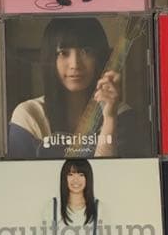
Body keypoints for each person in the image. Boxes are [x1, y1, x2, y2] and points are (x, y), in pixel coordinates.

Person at [8, 17, 135, 159]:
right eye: (63, 53)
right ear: (50, 58)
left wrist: (110, 119)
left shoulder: (121, 114)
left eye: (86, 51)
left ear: (98, 57)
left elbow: (113, 171)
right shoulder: (29, 115)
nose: (75, 64)